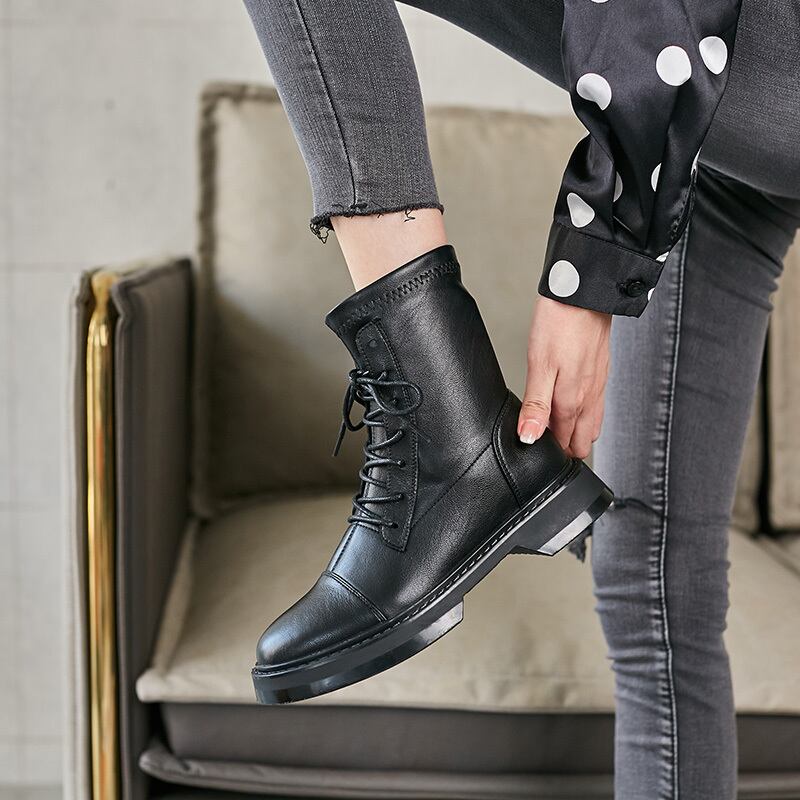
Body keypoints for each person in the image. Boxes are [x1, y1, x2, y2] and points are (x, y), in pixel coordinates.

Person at [241, 1, 800, 797]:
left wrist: (599, 255)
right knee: (649, 582)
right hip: (712, 137)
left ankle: (446, 423)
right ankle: (451, 424)